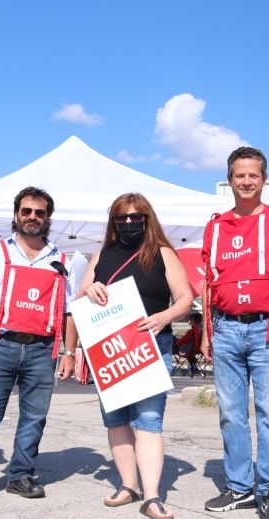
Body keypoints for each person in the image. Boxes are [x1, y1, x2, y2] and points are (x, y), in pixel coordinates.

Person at [200, 146, 269, 519]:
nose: (246, 181)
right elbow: (208, 285)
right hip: (226, 330)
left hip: (268, 330)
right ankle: (239, 487)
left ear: (264, 179)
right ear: (229, 180)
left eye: (253, 175)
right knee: (231, 413)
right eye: (239, 175)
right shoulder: (215, 227)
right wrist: (205, 333)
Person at [72, 193, 192, 519]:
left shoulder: (163, 253)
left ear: (147, 219)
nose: (128, 223)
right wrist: (90, 291)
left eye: (135, 218)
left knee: (149, 421)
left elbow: (185, 298)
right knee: (115, 420)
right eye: (121, 218)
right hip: (110, 350)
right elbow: (80, 295)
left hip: (150, 347)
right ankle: (129, 485)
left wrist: (165, 317)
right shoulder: (103, 255)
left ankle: (151, 495)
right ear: (113, 221)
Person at [0, 186, 77, 504]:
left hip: (42, 350)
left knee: (34, 417)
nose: (32, 217)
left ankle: (20, 476)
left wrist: (68, 351)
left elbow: (69, 310)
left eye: (39, 212)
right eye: (26, 211)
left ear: (47, 218)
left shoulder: (60, 260)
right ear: (16, 215)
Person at [173, 312, 204, 377]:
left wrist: (176, 341)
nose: (189, 322)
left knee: (172, 340)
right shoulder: (202, 330)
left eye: (190, 320)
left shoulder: (192, 331)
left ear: (193, 321)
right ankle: (193, 365)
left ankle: (193, 365)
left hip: (190, 351)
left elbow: (181, 341)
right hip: (199, 350)